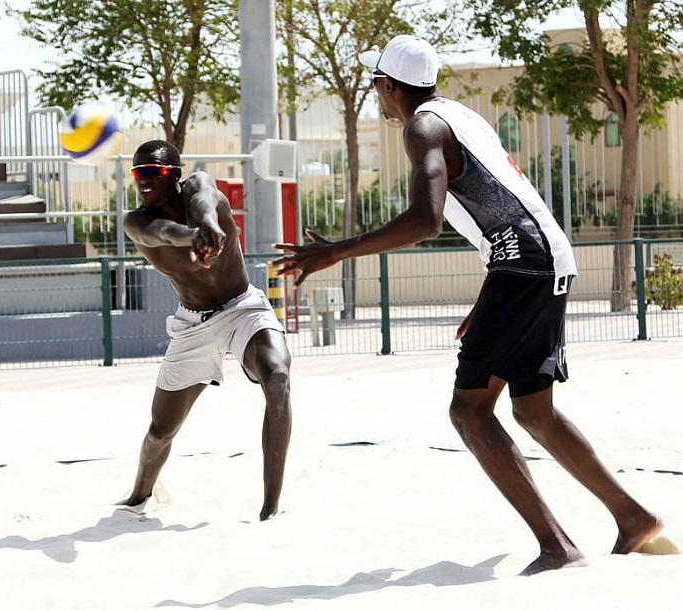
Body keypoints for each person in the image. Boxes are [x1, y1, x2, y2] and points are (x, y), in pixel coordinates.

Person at [272, 35, 663, 574]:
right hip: (544, 258)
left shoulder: (422, 127)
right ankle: (633, 517)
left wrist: (337, 250)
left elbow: (426, 219)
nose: (377, 95)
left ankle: (557, 547)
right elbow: (505, 206)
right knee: (533, 411)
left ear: (389, 86)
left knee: (469, 412)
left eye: (377, 85)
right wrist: (490, 295)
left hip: (522, 264)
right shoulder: (460, 116)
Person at [120, 139, 292, 521]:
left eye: (152, 172)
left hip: (242, 306)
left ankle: (270, 509)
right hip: (192, 324)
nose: (143, 180)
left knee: (277, 377)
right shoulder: (137, 221)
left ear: (174, 175)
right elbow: (164, 232)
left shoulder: (197, 185)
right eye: (137, 173)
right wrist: (193, 236)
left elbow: (206, 201)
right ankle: (138, 496)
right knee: (161, 430)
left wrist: (210, 225)